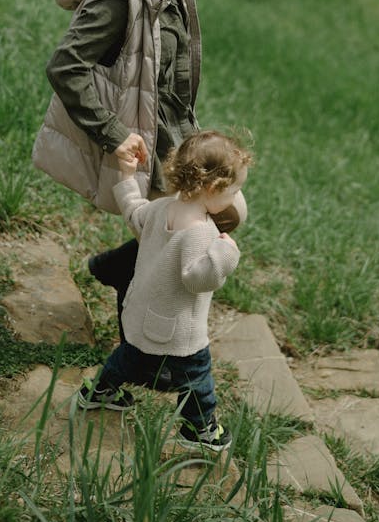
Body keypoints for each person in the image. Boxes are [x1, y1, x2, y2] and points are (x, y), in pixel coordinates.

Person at [32, 0, 245, 334]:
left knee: (225, 210)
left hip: (170, 124)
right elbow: (66, 67)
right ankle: (141, 336)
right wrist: (113, 135)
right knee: (193, 225)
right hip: (141, 132)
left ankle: (120, 270)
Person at [77, 130, 251, 452]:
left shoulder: (162, 208)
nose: (236, 199)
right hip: (175, 331)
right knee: (198, 378)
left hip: (141, 312)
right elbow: (197, 279)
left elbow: (133, 211)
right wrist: (226, 255)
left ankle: (97, 392)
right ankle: (199, 429)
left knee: (127, 358)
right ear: (213, 188)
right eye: (234, 190)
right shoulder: (201, 232)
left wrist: (127, 176)